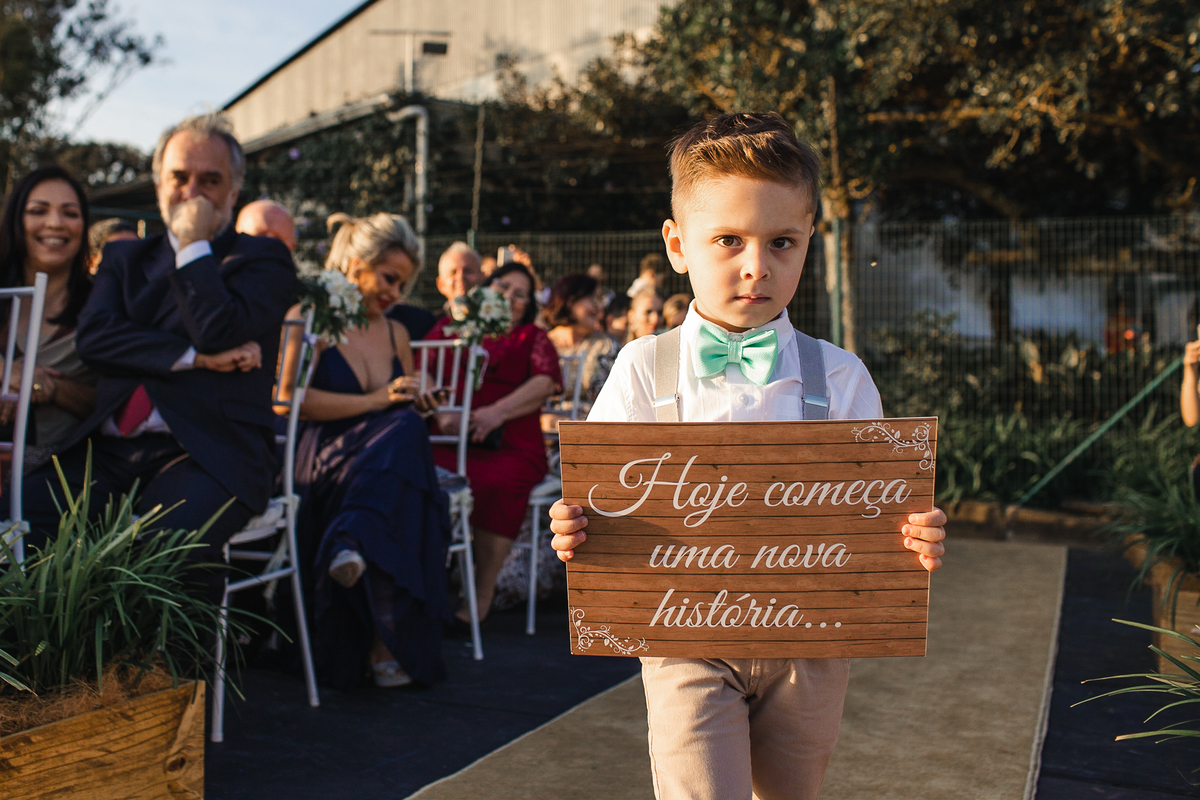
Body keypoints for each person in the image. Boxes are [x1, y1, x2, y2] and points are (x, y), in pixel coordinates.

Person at [549, 112, 947, 800]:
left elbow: (881, 511)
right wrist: (577, 525)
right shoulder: (643, 369)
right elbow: (601, 494)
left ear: (808, 244)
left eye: (781, 242)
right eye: (728, 240)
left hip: (813, 646)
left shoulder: (841, 377)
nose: (756, 265)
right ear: (678, 244)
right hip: (684, 640)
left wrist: (912, 535)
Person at [20, 113, 296, 606]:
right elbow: (97, 339)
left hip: (212, 450)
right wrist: (196, 358)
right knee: (26, 513)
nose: (192, 192)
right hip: (110, 447)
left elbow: (217, 328)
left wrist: (193, 245)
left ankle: (172, 682)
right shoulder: (127, 260)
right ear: (158, 183)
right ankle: (56, 671)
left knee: (169, 547)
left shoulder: (263, 260)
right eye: (179, 177)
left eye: (210, 180)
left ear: (234, 192)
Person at [287, 211, 451, 689]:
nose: (395, 295)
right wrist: (377, 400)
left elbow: (402, 404)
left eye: (401, 285)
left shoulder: (397, 332)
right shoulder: (311, 316)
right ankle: (388, 644)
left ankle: (351, 542)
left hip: (385, 458)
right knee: (405, 450)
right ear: (355, 263)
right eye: (388, 279)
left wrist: (421, 398)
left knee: (406, 430)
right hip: (323, 457)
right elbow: (293, 404)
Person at [425, 262, 561, 625]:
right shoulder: (454, 327)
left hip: (510, 442)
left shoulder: (532, 336)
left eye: (520, 294)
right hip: (451, 437)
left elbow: (545, 382)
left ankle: (480, 595)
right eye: (502, 287)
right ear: (485, 289)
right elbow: (422, 363)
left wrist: (495, 414)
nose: (509, 298)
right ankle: (426, 588)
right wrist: (441, 412)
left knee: (498, 484)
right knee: (419, 471)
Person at [0, 165, 98, 462]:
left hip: (64, 478)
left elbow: (116, 402)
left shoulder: (103, 302)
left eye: (70, 213)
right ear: (17, 219)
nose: (55, 223)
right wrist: (7, 372)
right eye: (38, 210)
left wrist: (51, 388)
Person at [542, 274, 619, 417]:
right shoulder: (540, 344)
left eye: (599, 299)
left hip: (591, 430)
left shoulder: (606, 346)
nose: (599, 306)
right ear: (569, 300)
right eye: (592, 298)